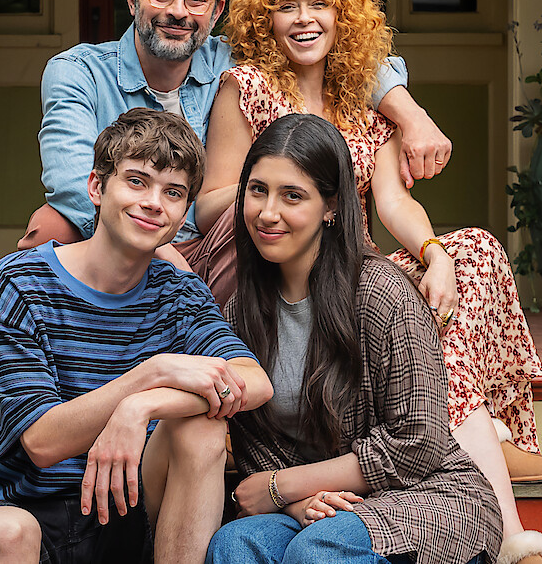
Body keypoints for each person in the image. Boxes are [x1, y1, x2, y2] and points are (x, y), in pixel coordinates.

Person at [197, 0, 542, 564]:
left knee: (473, 252)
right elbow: (209, 206)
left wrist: (431, 251)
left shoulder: (367, 105)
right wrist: (282, 198)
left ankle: (468, 447)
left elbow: (392, 203)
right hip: (267, 261)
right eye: (287, 7)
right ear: (265, 20)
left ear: (346, 19)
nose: (305, 18)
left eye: (321, 5)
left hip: (351, 267)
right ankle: (473, 441)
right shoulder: (247, 87)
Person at [19, 0, 453, 307]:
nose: (177, 11)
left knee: (246, 214)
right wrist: (162, 251)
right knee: (49, 226)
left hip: (221, 241)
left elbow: (341, 55)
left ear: (216, 10)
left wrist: (413, 115)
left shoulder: (232, 61)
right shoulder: (77, 72)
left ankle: (244, 368)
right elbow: (74, 185)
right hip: (129, 237)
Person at [0, 108, 273, 564]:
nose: (154, 202)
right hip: (19, 507)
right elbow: (42, 441)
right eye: (137, 181)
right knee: (9, 532)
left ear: (183, 213)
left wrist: (143, 406)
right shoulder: (21, 283)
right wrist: (150, 374)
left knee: (202, 434)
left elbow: (255, 381)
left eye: (173, 192)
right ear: (96, 187)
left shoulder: (179, 293)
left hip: (125, 511)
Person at [207, 114, 501, 563]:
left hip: (426, 494)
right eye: (257, 189)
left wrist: (283, 487)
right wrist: (299, 500)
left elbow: (418, 441)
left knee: (319, 550)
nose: (268, 212)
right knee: (236, 545)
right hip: (320, 506)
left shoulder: (382, 293)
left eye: (292, 196)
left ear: (331, 206)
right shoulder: (240, 312)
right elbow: (258, 445)